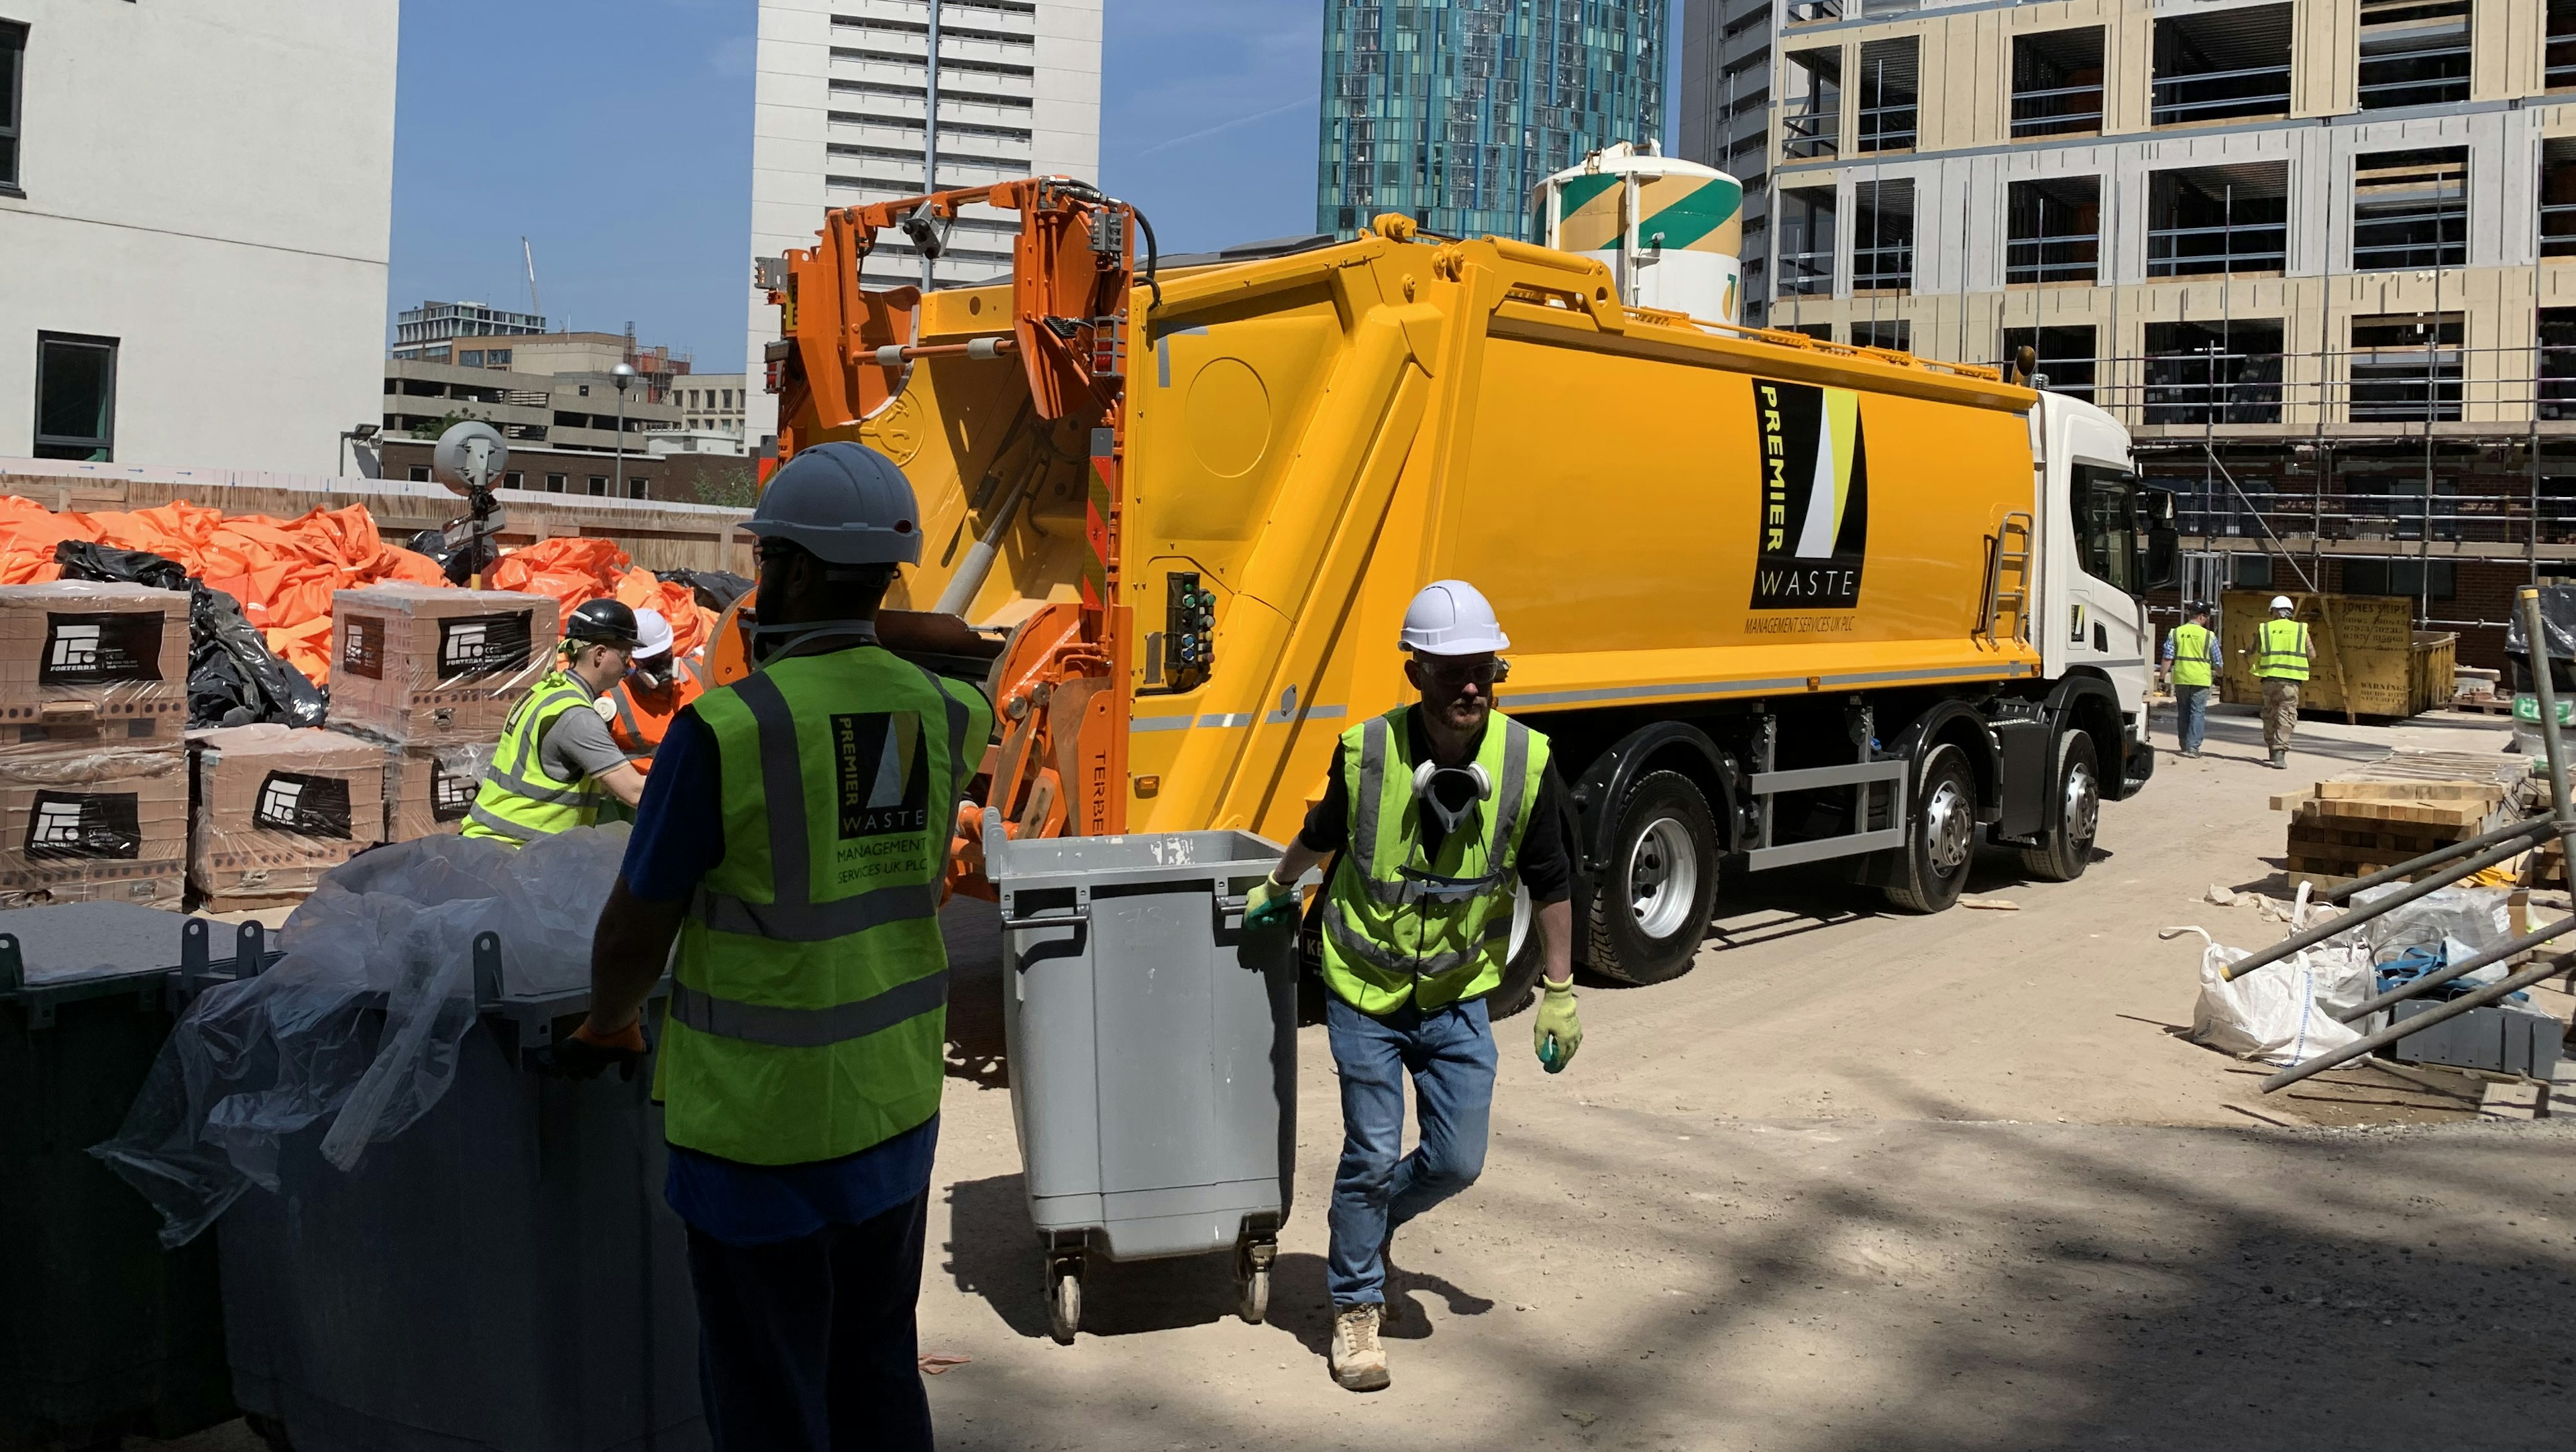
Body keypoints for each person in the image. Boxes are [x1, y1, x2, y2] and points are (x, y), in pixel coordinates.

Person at [555, 442, 992, 1452]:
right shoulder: (947, 713)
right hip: (892, 1108)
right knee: (877, 1363)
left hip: (758, 1134)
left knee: (768, 1389)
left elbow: (635, 924)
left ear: (789, 570)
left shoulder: (726, 733)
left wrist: (608, 1025)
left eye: (767, 561)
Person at [1244, 579, 1580, 1394]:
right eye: (1451, 668)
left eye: (1484, 669)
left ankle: (1367, 1223)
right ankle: (1354, 1305)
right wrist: (1279, 888)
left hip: (1457, 994)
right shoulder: (1365, 752)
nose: (1471, 685)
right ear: (1416, 672)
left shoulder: (1525, 761)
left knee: (1459, 1158)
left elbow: (1555, 877)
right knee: (1368, 1148)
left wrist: (1563, 988)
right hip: (1364, 987)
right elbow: (1323, 833)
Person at [460, 598, 649, 846]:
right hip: (518, 853)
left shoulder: (546, 690)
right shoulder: (577, 717)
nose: (629, 664)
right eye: (626, 654)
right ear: (600, 654)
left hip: (487, 843)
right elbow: (635, 792)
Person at [605, 607, 708, 773]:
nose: (661, 667)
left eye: (664, 654)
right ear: (633, 661)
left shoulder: (702, 673)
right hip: (651, 790)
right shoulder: (615, 701)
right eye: (650, 660)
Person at [2253, 594, 2312, 770]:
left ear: (2274, 612)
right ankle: (2280, 756)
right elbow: (2313, 654)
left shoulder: (2264, 629)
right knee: (2286, 716)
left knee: (2270, 714)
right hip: (2290, 682)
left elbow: (2253, 649)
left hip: (2269, 680)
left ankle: (2271, 749)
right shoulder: (2301, 630)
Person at [2162, 601, 2221, 759]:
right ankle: (2193, 748)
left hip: (2182, 678)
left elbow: (2167, 657)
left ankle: (2184, 743)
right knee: (2197, 713)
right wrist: (2221, 675)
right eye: (2206, 617)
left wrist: (2162, 678)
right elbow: (2218, 661)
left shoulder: (2176, 633)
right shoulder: (2209, 636)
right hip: (2200, 680)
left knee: (2183, 712)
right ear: (2202, 617)